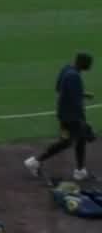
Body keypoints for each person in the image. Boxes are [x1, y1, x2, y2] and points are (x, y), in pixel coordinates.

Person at [26, 53, 96, 181]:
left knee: (78, 139)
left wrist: (83, 94)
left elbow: (59, 88)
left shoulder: (67, 69)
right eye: (89, 63)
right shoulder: (74, 76)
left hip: (63, 114)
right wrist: (83, 123)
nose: (90, 66)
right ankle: (35, 161)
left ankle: (80, 170)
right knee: (68, 141)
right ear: (83, 63)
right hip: (71, 117)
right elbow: (75, 102)